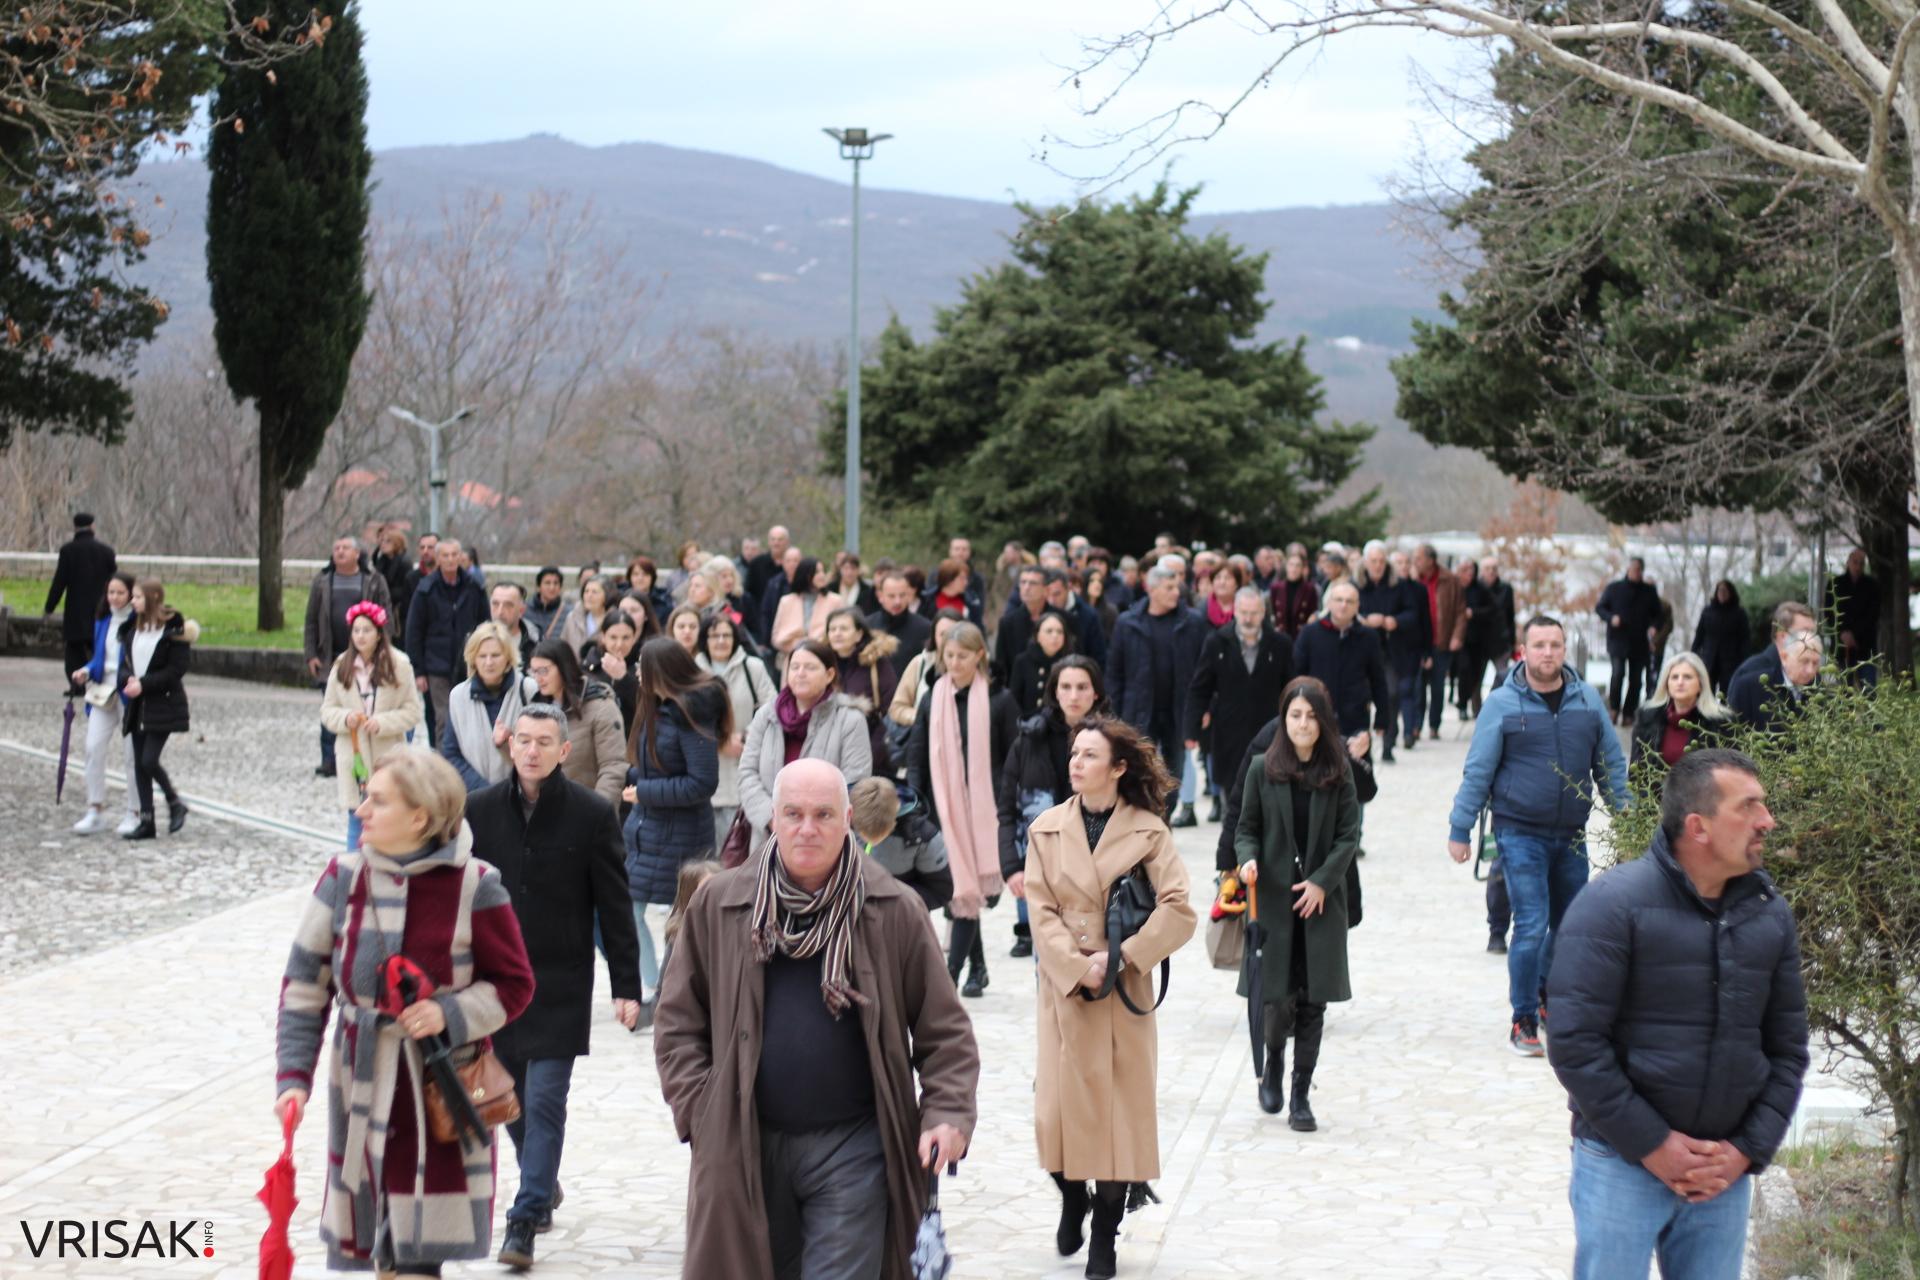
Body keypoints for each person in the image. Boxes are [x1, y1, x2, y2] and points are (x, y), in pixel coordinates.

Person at [653, 757, 980, 1279]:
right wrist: (702, 1110)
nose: (808, 828)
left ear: (848, 818)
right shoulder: (719, 904)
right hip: (745, 1141)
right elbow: (677, 1023)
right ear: (772, 820)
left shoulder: (893, 907)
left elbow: (945, 1033)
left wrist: (947, 1112)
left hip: (855, 1146)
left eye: (824, 814)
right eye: (794, 814)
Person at [1547, 749, 1808, 1280]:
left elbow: (1787, 1051)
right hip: (1621, 1166)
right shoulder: (1611, 905)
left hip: (1721, 1177)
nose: (1767, 821)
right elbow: (1575, 1043)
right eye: (1750, 806)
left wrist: (1744, 1152)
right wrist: (1654, 1145)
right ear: (1699, 826)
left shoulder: (1769, 915)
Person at [273, 749, 535, 1277]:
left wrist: (449, 1013)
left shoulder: (476, 884)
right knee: (373, 1244)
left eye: (378, 801)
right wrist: (292, 1077)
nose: (361, 809)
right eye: (365, 796)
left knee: (417, 1259)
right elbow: (304, 985)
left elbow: (515, 985)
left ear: (420, 816)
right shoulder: (342, 878)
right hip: (361, 1086)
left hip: (438, 1095)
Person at [464, 703, 642, 1272]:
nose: (533, 750)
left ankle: (526, 1215)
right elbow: (458, 896)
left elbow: (614, 903)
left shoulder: (591, 814)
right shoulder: (479, 811)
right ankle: (543, 1181)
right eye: (524, 740)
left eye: (545, 741)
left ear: (564, 751)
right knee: (506, 1099)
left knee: (544, 1100)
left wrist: (626, 984)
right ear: (510, 746)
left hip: (560, 979)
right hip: (493, 984)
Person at [1023, 716, 1195, 1280]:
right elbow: (1041, 911)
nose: (1076, 762)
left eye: (1089, 755)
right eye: (1074, 753)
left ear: (1118, 768)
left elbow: (1178, 908)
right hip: (1067, 990)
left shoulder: (1149, 831)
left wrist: (1120, 957)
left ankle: (1104, 1239)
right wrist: (1076, 967)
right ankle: (1074, 1195)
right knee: (1054, 1114)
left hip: (1124, 986)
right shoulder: (1046, 829)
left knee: (1119, 1122)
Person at [1447, 616, 1628, 1056]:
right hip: (1518, 831)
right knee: (1531, 924)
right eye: (1539, 645)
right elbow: (1479, 768)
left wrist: (1629, 822)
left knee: (1568, 927)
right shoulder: (1503, 703)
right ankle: (1522, 1017)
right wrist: (1461, 825)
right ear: (1523, 651)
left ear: (1565, 650)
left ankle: (1547, 995)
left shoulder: (1587, 701)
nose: (1548, 652)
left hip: (1570, 833)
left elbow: (1610, 765)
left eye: (1555, 645)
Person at [1233, 677, 1364, 1129]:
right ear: (1283, 717)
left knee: (1313, 1001)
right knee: (1276, 998)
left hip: (1321, 902)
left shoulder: (1339, 770)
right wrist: (1247, 861)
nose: (1303, 723)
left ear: (1323, 721)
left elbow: (1350, 835)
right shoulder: (1260, 768)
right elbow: (1245, 828)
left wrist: (1322, 883)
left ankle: (1300, 1095)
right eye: (1295, 715)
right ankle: (1273, 1062)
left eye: (1311, 716)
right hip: (1273, 898)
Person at [908, 620, 1020, 998]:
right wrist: (915, 803)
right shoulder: (932, 697)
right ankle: (965, 974)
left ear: (980, 656)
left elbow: (1012, 757)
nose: (954, 663)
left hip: (985, 812)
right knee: (960, 891)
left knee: (966, 893)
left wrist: (1007, 804)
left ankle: (956, 976)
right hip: (942, 808)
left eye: (962, 656)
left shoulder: (1000, 700)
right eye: (949, 656)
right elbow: (918, 753)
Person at [622, 636, 729, 1015]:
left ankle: (669, 992)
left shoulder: (692, 712)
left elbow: (702, 783)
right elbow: (657, 762)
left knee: (680, 918)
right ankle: (657, 987)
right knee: (629, 909)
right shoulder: (659, 707)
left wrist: (645, 791)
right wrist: (634, 776)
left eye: (641, 667)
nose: (636, 673)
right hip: (647, 830)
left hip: (681, 835)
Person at [999, 654, 1108, 960]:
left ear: (1095, 692)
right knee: (1047, 965)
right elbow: (1008, 808)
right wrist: (1011, 866)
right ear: (1055, 691)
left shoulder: (1115, 741)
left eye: (1082, 687)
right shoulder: (1028, 740)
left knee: (1095, 963)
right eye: (1066, 687)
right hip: (1046, 866)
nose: (1074, 696)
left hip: (1099, 869)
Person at [737, 638, 873, 851]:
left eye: (810, 667)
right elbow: (747, 772)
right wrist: (772, 819)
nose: (800, 673)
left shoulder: (850, 719)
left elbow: (855, 782)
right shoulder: (766, 715)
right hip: (767, 837)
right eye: (795, 667)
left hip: (823, 839)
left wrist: (807, 822)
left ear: (829, 675)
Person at [1106, 562, 1209, 827]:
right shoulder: (1128, 623)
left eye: (1177, 586)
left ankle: (1164, 818)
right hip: (1139, 708)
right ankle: (1140, 818)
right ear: (1151, 589)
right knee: (1137, 767)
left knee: (1174, 769)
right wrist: (1116, 711)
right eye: (1170, 587)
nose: (1177, 592)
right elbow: (1115, 672)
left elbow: (1204, 669)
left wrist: (1205, 707)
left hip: (1178, 709)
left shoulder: (1192, 622)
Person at [319, 601, 421, 850]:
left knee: (389, 816)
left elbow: (412, 711)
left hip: (388, 754)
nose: (360, 636)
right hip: (354, 756)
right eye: (356, 631)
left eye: (366, 630)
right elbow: (327, 711)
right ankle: (354, 872)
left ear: (378, 633)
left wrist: (383, 722)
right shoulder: (341, 665)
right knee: (357, 820)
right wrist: (346, 718)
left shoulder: (399, 664)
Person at [1186, 587, 1293, 825]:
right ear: (1235, 611)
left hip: (1270, 733)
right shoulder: (1217, 642)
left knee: (1270, 803)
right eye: (1243, 612)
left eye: (1254, 613)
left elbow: (1291, 688)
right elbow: (1200, 687)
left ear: (1263, 612)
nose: (1248, 618)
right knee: (1233, 806)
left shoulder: (1280, 644)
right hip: (1228, 732)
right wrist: (1191, 729)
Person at [305, 534, 397, 779]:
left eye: (345, 548)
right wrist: (311, 654)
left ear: (357, 553)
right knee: (331, 705)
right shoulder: (323, 581)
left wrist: (383, 651)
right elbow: (311, 621)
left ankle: (368, 755)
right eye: (336, 547)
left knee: (365, 706)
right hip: (330, 656)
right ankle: (329, 760)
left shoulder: (374, 580)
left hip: (367, 657)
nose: (340, 552)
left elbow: (386, 616)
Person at [115, 578, 197, 840]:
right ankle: (147, 820)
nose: (132, 601)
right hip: (138, 703)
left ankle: (175, 803)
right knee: (139, 764)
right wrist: (128, 680)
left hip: (163, 704)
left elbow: (175, 671)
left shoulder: (173, 632)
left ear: (151, 599)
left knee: (149, 759)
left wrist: (144, 684)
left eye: (137, 597)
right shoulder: (131, 630)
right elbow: (127, 663)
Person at [67, 571, 140, 837]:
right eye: (111, 592)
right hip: (102, 690)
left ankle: (135, 811)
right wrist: (85, 670)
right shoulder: (103, 620)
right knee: (92, 746)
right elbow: (100, 658)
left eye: (120, 593)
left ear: (131, 594)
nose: (115, 597)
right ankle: (95, 809)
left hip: (128, 692)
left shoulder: (137, 622)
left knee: (132, 754)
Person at [405, 538, 489, 750]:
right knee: (443, 718)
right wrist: (419, 671)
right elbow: (414, 631)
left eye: (455, 555)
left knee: (471, 717)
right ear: (438, 558)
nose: (451, 560)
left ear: (461, 557)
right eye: (445, 555)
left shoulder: (475, 587)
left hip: (469, 664)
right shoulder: (426, 589)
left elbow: (485, 625)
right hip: (436, 664)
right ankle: (445, 767)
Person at [441, 621, 540, 792]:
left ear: (508, 657)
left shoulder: (529, 689)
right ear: (473, 658)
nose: (488, 662)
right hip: (475, 797)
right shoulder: (458, 696)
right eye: (482, 656)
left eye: (495, 655)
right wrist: (485, 791)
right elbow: (451, 753)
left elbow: (541, 747)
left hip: (522, 796)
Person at [528, 637, 626, 808]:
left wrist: (597, 816)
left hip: (586, 813)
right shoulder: (537, 708)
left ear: (563, 666)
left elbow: (613, 767)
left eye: (543, 671)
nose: (538, 678)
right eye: (534, 672)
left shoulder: (601, 706)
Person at [1356, 541, 1428, 763]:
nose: (1377, 565)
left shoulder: (1399, 585)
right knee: (1361, 698)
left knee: (1391, 694)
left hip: (1391, 650)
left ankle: (1388, 743)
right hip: (1361, 649)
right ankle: (1362, 746)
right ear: (1365, 562)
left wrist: (1391, 621)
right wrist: (1365, 621)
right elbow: (1346, 612)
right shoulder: (1356, 585)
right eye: (1373, 561)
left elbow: (1412, 615)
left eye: (1381, 561)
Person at [851, 775, 954, 910]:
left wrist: (893, 894)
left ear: (894, 819)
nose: (869, 841)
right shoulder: (840, 823)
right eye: (861, 832)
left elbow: (940, 891)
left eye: (878, 835)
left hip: (901, 919)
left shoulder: (921, 837)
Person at [43, 511, 117, 692]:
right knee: (100, 644)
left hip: (76, 609)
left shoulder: (68, 551)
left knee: (74, 650)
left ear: (75, 528)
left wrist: (49, 607)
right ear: (92, 527)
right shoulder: (107, 552)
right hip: (101, 607)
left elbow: (59, 582)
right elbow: (116, 581)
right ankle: (104, 682)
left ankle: (77, 686)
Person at [825, 605, 900, 775]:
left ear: (858, 634)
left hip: (872, 752)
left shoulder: (876, 663)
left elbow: (890, 711)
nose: (837, 633)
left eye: (843, 628)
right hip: (829, 755)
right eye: (832, 629)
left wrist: (873, 755)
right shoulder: (822, 663)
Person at [1631, 652, 1730, 776]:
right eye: (1674, 677)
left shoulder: (1720, 723)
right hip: (1655, 794)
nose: (1680, 682)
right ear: (1666, 684)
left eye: (1687, 677)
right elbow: (1636, 772)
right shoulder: (1646, 719)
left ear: (1701, 684)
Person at [1594, 557, 1661, 726]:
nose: (1636, 572)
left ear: (1642, 571)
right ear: (1628, 569)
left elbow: (1658, 615)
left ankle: (1629, 712)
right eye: (1633, 569)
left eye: (1639, 569)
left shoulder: (1649, 592)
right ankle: (1614, 708)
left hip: (1639, 642)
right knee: (1617, 674)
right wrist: (1611, 618)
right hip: (1618, 640)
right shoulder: (1614, 588)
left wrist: (1654, 627)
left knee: (1636, 679)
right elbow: (1600, 608)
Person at [1412, 544, 1467, 741]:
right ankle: (1416, 725)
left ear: (1430, 560)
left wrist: (1457, 636)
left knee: (1437, 686)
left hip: (1442, 641)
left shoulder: (1450, 580)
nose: (1415, 562)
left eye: (1418, 558)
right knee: (1417, 686)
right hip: (1418, 643)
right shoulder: (1412, 580)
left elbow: (1461, 612)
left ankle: (1434, 724)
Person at [1728, 625, 1823, 733]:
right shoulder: (1748, 687)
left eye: (1815, 663)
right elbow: (1732, 734)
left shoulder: (1820, 691)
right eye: (1804, 661)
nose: (1810, 670)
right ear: (1784, 657)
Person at [889, 608, 962, 733]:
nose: (948, 639)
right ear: (934, 636)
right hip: (923, 739)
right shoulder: (920, 663)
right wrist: (922, 718)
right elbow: (897, 708)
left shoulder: (972, 666)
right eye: (942, 634)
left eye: (953, 633)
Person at [580, 609, 641, 736]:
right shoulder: (587, 666)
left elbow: (645, 707)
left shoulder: (643, 666)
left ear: (634, 638)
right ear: (603, 637)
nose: (619, 644)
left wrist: (624, 678)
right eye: (613, 637)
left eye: (626, 638)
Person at [1009, 608, 1077, 718]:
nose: (1055, 636)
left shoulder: (1071, 664)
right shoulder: (1022, 661)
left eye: (1060, 632)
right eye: (1049, 631)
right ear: (1037, 636)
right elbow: (1014, 701)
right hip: (1029, 725)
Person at [770, 556, 843, 656]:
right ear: (805, 575)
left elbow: (839, 634)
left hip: (824, 658)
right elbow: (776, 637)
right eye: (817, 572)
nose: (822, 575)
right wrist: (798, 649)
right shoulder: (786, 601)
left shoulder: (835, 601)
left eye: (823, 571)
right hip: (792, 660)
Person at [866, 570, 932, 681]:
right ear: (880, 596)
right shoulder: (867, 626)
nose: (897, 601)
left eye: (902, 595)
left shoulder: (925, 628)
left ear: (909, 595)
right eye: (891, 596)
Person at [992, 564, 1052, 682]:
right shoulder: (1007, 622)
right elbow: (1002, 665)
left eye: (1033, 583)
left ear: (1046, 590)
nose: (1026, 587)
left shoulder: (1063, 620)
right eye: (1023, 582)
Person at [1690, 580, 1749, 697]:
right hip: (1709, 659)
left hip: (1730, 661)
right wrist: (1693, 654)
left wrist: (1744, 660)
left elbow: (1745, 639)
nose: (1722, 594)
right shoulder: (1708, 611)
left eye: (1725, 591)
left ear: (1731, 593)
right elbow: (1699, 634)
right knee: (1706, 691)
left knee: (1727, 692)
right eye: (1720, 591)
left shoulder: (1739, 613)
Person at [1827, 548, 1881, 676]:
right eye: (1855, 562)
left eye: (1861, 563)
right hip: (1841, 646)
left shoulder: (1872, 586)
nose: (1858, 566)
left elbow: (1873, 615)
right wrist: (1843, 633)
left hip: (1865, 646)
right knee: (1844, 690)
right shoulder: (1835, 584)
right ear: (1848, 562)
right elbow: (1830, 613)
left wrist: (1854, 634)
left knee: (1868, 690)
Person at [1456, 558, 1496, 720]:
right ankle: (1462, 704)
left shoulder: (1481, 589)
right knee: (1463, 671)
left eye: (1471, 570)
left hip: (1479, 640)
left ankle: (1473, 706)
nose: (1468, 573)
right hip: (1459, 639)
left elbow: (1492, 610)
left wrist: (1474, 613)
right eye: (1464, 570)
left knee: (1476, 675)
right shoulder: (1455, 587)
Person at [921, 556, 986, 629]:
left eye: (966, 578)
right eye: (962, 578)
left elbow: (978, 629)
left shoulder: (972, 602)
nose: (966, 582)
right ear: (949, 580)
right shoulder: (926, 601)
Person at [1269, 547, 1319, 641]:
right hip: (1281, 637)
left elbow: (1313, 614)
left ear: (1303, 568)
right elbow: (1272, 613)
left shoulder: (1310, 589)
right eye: (1291, 565)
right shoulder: (1276, 588)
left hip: (1301, 637)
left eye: (1298, 565)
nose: (1294, 569)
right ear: (1286, 566)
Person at [371, 526, 415, 633]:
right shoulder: (383, 560)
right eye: (381, 540)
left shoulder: (404, 561)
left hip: (399, 611)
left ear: (396, 542)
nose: (383, 544)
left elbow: (406, 589)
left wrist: (386, 593)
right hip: (384, 606)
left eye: (388, 541)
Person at [559, 574, 616, 654]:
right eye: (586, 591)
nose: (589, 595)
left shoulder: (615, 620)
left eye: (594, 592)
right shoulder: (572, 618)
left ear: (607, 595)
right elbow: (562, 648)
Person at [490, 582, 539, 674]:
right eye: (495, 604)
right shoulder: (475, 641)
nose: (500, 612)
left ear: (521, 610)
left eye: (508, 605)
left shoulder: (535, 643)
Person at [742, 523, 791, 604]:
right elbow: (748, 593)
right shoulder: (756, 564)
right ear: (769, 542)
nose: (776, 543)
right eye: (773, 539)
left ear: (787, 542)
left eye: (780, 539)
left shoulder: (795, 564)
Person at [524, 566, 574, 640]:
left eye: (556, 583)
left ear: (560, 587)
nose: (552, 588)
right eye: (547, 583)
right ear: (538, 587)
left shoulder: (570, 612)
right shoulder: (524, 609)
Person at [625, 554, 674, 623]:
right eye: (636, 574)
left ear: (652, 578)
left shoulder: (663, 602)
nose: (640, 578)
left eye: (645, 574)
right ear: (629, 577)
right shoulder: (620, 599)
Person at [833, 551, 881, 616]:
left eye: (853, 568)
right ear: (840, 569)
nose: (849, 572)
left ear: (858, 570)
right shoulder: (832, 588)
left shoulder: (867, 590)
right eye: (846, 568)